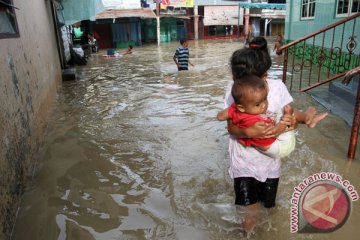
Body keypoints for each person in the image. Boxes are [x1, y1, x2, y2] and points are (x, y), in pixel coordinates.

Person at [221, 37, 328, 233]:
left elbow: (289, 115)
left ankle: (268, 233)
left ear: (264, 77)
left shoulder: (277, 87)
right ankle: (248, 235)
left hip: (271, 163)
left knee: (269, 206)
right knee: (248, 210)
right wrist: (246, 131)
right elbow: (230, 127)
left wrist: (300, 120)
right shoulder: (233, 90)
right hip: (243, 162)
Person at [217, 74, 295, 159]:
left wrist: (231, 110)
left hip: (250, 149)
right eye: (258, 104)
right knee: (284, 114)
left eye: (265, 99)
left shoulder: (234, 108)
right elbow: (274, 132)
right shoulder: (257, 121)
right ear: (241, 108)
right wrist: (287, 116)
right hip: (276, 149)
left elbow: (220, 117)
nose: (264, 105)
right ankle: (302, 116)